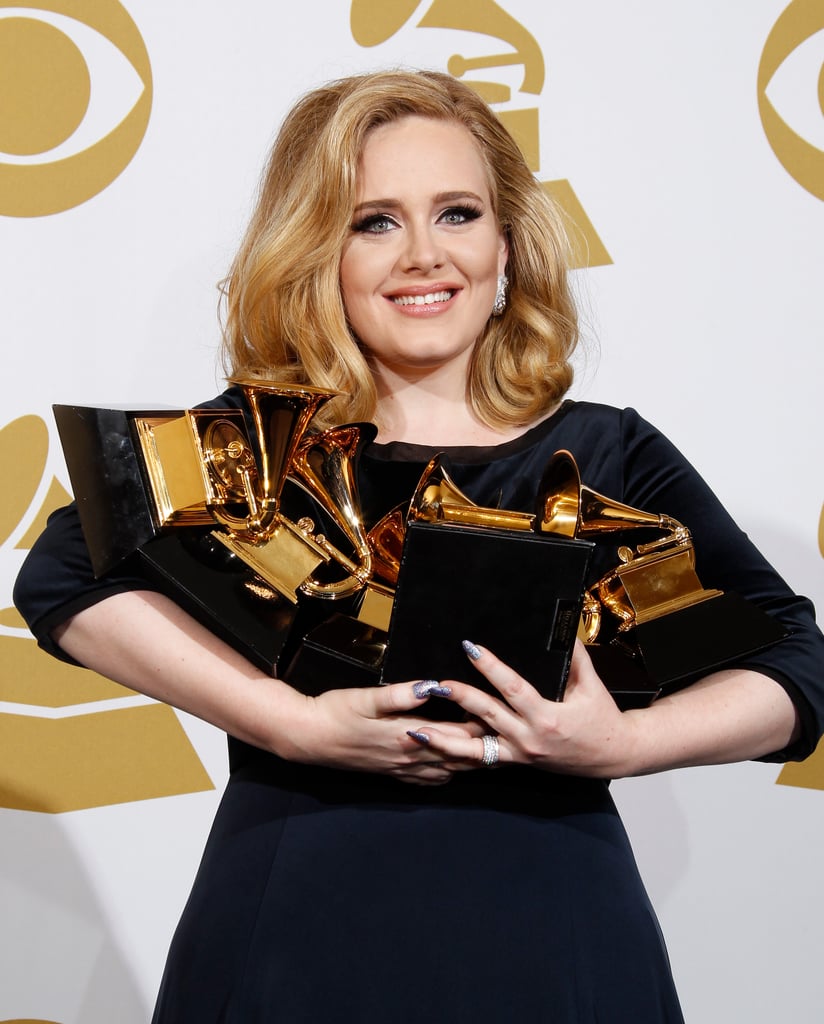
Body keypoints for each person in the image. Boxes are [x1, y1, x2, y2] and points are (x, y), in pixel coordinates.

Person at [14, 69, 824, 1022]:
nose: (423, 256)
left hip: (554, 936)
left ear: (508, 242)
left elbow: (796, 661)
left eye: (457, 213)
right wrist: (288, 722)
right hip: (292, 935)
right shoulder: (264, 445)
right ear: (321, 250)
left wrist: (624, 742)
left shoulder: (605, 452)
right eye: (375, 222)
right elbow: (65, 575)